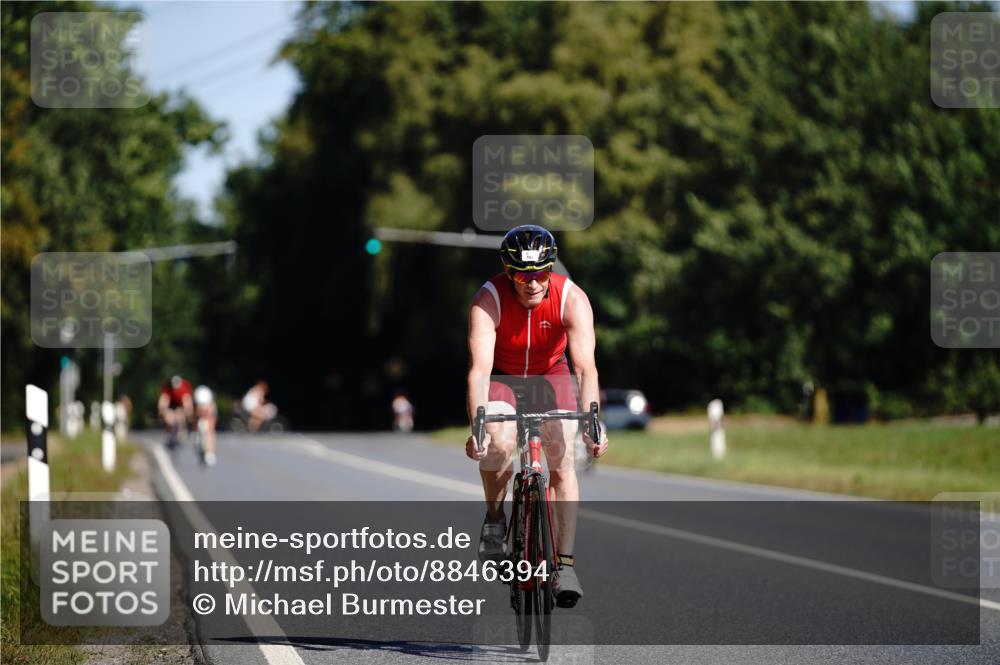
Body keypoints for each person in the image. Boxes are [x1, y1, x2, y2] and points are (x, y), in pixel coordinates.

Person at [465, 224, 609, 609]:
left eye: (539, 274)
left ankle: (564, 565)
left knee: (562, 460)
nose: (531, 284)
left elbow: (585, 370)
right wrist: (478, 426)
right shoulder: (489, 299)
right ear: (509, 273)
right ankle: (495, 518)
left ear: (550, 270)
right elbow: (479, 370)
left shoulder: (571, 299)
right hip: (504, 378)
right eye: (522, 275)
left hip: (551, 374)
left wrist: (593, 422)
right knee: (498, 444)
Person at [158, 375, 194, 447]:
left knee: (180, 417)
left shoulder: (184, 388)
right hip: (171, 405)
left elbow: (187, 401)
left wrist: (188, 412)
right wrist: (162, 411)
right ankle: (169, 432)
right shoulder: (167, 388)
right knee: (169, 418)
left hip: (180, 406)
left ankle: (182, 430)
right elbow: (163, 400)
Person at [194, 385, 218, 466]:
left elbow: (212, 421)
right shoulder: (196, 405)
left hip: (209, 418)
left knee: (210, 432)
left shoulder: (211, 405)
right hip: (201, 421)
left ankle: (210, 451)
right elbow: (195, 418)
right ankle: (200, 445)